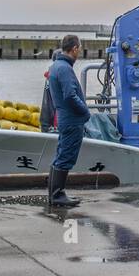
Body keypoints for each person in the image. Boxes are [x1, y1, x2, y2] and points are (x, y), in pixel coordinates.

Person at [46, 34, 90, 207]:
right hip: (72, 120)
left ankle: (54, 194)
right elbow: (70, 96)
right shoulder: (64, 68)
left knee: (61, 155)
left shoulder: (56, 66)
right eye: (79, 48)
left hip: (64, 119)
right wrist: (85, 111)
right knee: (66, 156)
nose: (79, 51)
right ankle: (58, 195)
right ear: (75, 48)